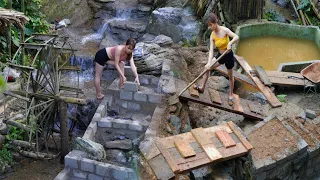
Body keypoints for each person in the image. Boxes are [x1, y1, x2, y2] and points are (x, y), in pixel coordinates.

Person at [194, 13, 239, 106]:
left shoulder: (224, 30)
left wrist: (230, 43)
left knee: (230, 76)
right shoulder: (212, 35)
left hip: (229, 55)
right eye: (209, 25)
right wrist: (209, 63)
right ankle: (202, 87)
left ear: (216, 22)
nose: (210, 27)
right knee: (206, 69)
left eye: (211, 25)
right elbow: (211, 51)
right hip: (220, 56)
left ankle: (231, 94)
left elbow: (236, 37)